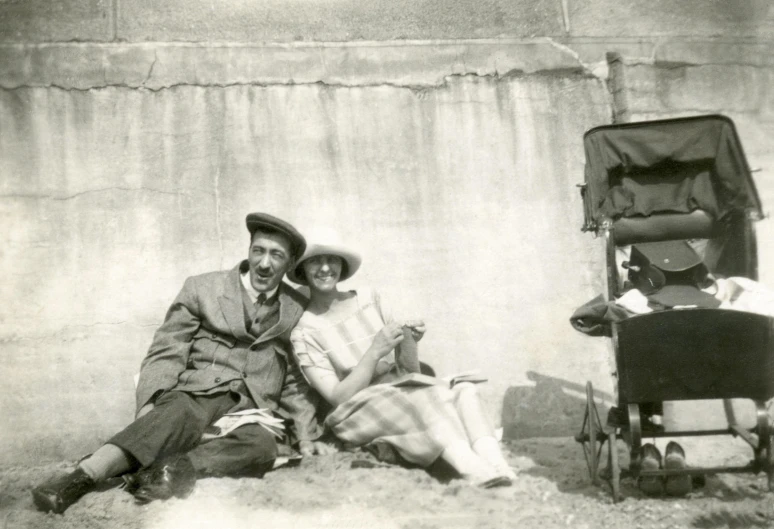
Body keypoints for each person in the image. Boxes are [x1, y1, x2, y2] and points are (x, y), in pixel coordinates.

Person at [32, 212, 332, 514]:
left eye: (276, 255)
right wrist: (149, 403)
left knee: (262, 446)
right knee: (169, 419)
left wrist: (305, 435)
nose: (264, 263)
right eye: (259, 251)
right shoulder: (202, 288)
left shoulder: (295, 309)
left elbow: (295, 379)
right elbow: (168, 349)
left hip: (249, 410)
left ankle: (165, 469)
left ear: (290, 263)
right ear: (249, 250)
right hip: (195, 396)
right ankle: (77, 480)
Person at [286, 230, 516, 487]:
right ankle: (472, 469)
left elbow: (406, 370)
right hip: (358, 410)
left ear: (342, 265)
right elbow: (338, 397)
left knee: (465, 389)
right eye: (315, 261)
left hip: (401, 390)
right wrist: (374, 351)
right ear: (303, 269)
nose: (325, 268)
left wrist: (410, 342)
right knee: (426, 397)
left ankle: (498, 466)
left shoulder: (370, 299)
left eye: (333, 260)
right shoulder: (304, 333)